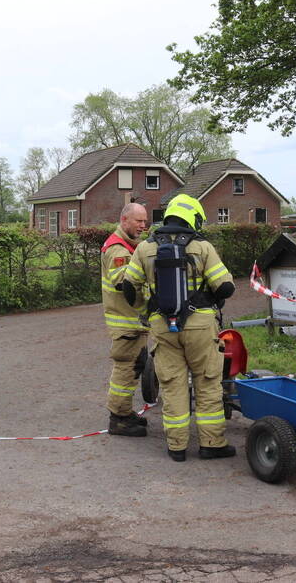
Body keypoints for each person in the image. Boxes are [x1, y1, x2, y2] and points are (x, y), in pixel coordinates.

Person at [121, 194, 236, 461]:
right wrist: (210, 303)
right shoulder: (203, 247)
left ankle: (176, 447)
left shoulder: (145, 248)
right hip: (200, 327)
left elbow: (128, 287)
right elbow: (226, 286)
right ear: (193, 218)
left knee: (172, 385)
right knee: (207, 383)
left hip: (162, 327)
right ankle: (211, 444)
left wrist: (147, 312)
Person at [100, 202, 150, 437]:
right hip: (125, 323)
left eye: (144, 221)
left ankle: (124, 411)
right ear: (124, 220)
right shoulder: (118, 249)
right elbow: (125, 282)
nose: (143, 225)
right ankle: (118, 419)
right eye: (138, 221)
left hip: (132, 321)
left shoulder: (130, 245)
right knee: (125, 368)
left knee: (135, 365)